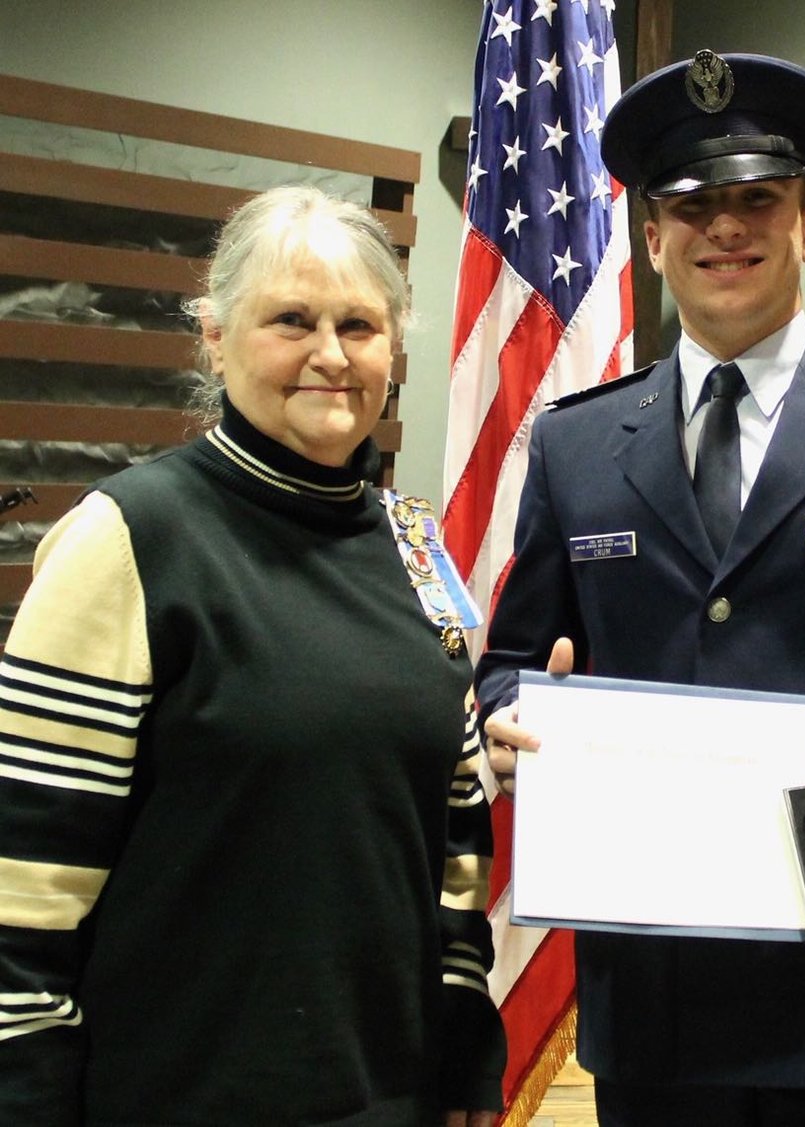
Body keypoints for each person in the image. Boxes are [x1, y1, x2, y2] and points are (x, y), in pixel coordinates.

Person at [476, 50, 805, 1127]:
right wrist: (509, 718)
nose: (724, 228)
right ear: (653, 235)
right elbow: (513, 663)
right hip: (656, 993)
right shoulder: (579, 445)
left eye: (756, 200)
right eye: (691, 204)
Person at [0, 185, 505, 1125]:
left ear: (393, 350)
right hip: (179, 1093)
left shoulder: (411, 542)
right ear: (214, 335)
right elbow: (24, 876)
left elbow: (453, 825)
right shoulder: (130, 537)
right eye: (291, 320)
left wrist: (466, 1018)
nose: (330, 353)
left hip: (388, 1092)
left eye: (360, 325)